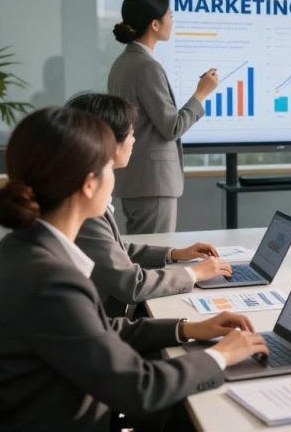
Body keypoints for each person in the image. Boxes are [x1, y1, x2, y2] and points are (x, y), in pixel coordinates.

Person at [0, 107, 268, 430]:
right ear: (88, 185)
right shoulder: (50, 280)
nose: (115, 175)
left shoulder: (21, 249)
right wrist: (219, 356)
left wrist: (187, 328)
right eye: (108, 165)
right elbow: (140, 389)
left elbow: (98, 329)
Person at [67, 92, 232, 318]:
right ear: (109, 142)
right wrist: (193, 274)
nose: (134, 140)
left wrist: (175, 253)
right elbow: (132, 284)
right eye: (131, 134)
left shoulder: (81, 196)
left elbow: (114, 250)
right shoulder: (84, 208)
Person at [108, 0, 219, 234]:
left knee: (143, 253)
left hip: (135, 179)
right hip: (153, 182)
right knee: (154, 256)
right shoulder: (147, 66)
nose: (172, 20)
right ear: (155, 24)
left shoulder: (122, 62)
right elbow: (172, 127)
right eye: (170, 14)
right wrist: (200, 94)